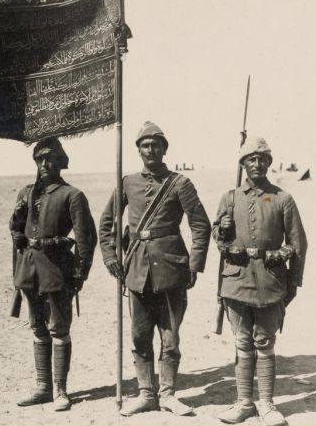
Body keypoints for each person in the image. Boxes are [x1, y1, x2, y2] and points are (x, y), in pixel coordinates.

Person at [99, 121, 211, 416]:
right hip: (136, 270)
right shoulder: (127, 183)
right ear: (138, 150)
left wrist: (195, 264)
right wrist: (110, 256)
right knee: (139, 335)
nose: (150, 150)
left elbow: (200, 225)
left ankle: (169, 394)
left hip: (171, 271)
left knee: (170, 337)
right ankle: (146, 394)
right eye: (145, 145)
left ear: (164, 149)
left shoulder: (180, 184)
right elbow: (107, 222)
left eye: (156, 145)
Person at [213, 136, 307, 426]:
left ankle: (266, 404)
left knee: (264, 342)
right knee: (242, 342)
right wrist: (223, 229)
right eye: (251, 159)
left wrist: (292, 284)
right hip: (236, 282)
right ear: (243, 163)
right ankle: (244, 403)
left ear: (269, 163)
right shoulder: (229, 198)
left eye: (262, 159)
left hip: (270, 282)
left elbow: (298, 243)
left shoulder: (282, 198)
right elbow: (218, 239)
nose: (257, 163)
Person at [9, 137, 97, 411]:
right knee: (38, 327)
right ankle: (43, 387)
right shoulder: (26, 193)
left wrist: (80, 273)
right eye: (40, 159)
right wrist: (16, 220)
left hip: (57, 271)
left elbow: (86, 238)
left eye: (50, 158)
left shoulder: (72, 195)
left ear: (61, 162)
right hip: (28, 270)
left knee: (58, 328)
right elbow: (16, 231)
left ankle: (60, 389)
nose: (45, 164)